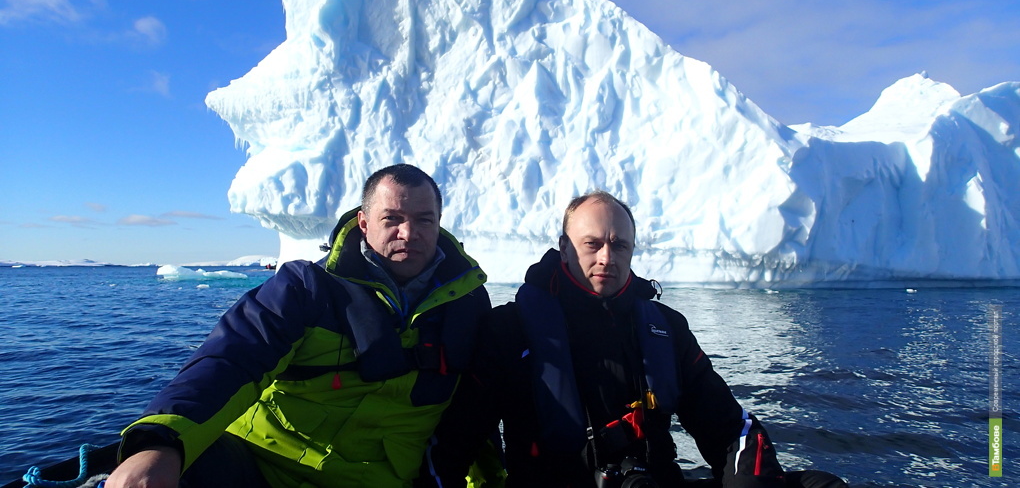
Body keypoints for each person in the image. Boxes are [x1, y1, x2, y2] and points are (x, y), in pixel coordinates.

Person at [419, 191, 846, 488]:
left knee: (818, 483)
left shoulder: (665, 326)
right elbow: (456, 441)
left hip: (655, 482)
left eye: (619, 245)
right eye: (592, 244)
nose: (607, 257)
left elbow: (728, 426)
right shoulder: (510, 331)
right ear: (563, 248)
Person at [106, 164, 490, 488]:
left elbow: (476, 412)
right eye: (392, 219)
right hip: (262, 466)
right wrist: (161, 443)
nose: (409, 233)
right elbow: (231, 360)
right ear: (364, 222)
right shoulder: (306, 290)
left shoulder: (467, 304)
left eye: (425, 220)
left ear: (439, 224)